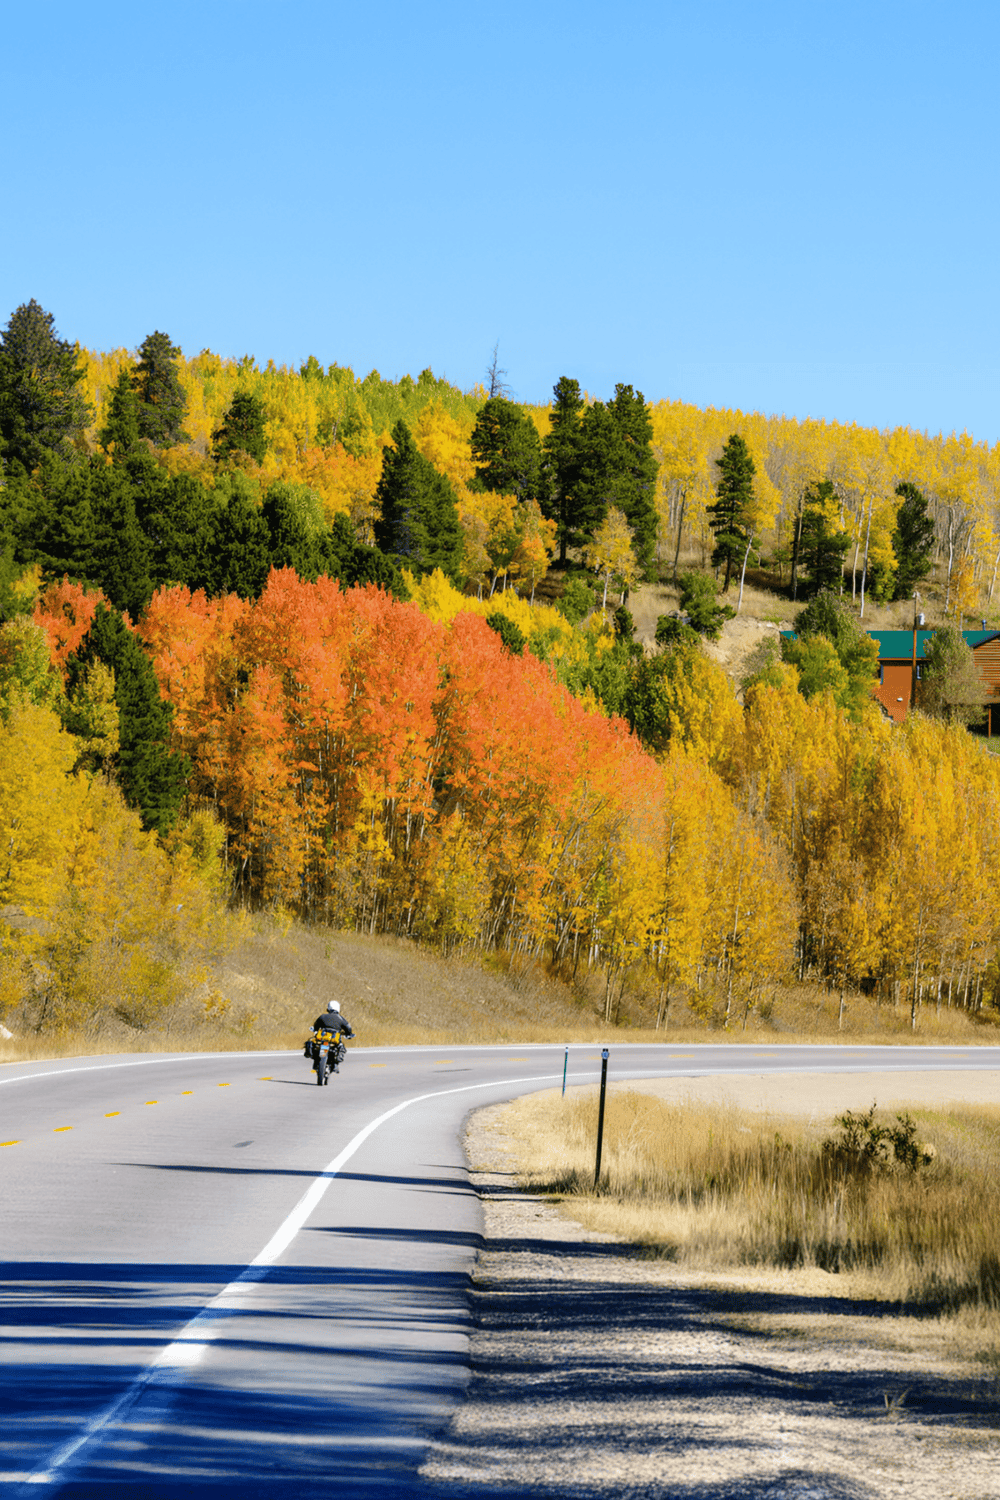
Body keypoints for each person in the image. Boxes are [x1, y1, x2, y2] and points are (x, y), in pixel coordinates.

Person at [308, 1000, 355, 1072]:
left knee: (315, 1045)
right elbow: (348, 1028)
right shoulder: (340, 1018)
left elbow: (316, 1026)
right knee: (341, 1048)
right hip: (334, 1040)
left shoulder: (323, 1016)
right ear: (338, 1008)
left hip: (323, 1039)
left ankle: (316, 1062)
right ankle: (335, 1064)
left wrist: (315, 1029)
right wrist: (349, 1034)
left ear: (328, 1008)